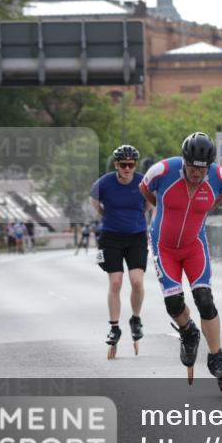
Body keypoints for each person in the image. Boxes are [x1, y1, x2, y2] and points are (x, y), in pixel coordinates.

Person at [140, 132, 222, 396]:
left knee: (205, 299)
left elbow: (214, 201)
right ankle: (187, 330)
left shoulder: (220, 179)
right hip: (164, 247)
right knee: (173, 303)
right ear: (184, 161)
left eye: (202, 169)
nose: (197, 173)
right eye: (192, 167)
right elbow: (146, 191)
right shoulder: (162, 171)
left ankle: (216, 357)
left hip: (195, 245)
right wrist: (164, 210)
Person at [91, 144, 149, 359]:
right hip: (111, 237)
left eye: (130, 164)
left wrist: (135, 219)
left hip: (136, 236)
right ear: (116, 165)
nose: (127, 168)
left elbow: (148, 205)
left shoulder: (143, 182)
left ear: (135, 165)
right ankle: (114, 327)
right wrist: (110, 216)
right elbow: (95, 204)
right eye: (123, 164)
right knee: (115, 282)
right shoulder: (104, 183)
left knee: (136, 281)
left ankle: (135, 319)